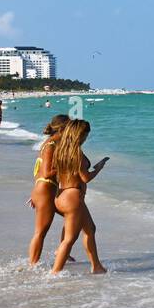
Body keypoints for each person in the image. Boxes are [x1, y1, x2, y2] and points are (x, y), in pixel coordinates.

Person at [51, 119, 108, 274]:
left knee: (90, 229)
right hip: (73, 198)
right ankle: (55, 273)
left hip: (61, 195)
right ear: (80, 135)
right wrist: (99, 167)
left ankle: (96, 266)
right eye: (86, 135)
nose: (86, 138)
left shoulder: (61, 150)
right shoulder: (76, 152)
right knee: (69, 239)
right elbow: (85, 178)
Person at [28, 114, 70, 265]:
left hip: (43, 189)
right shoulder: (51, 146)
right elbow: (46, 172)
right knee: (40, 232)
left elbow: (38, 171)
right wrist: (67, 166)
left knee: (71, 217)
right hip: (45, 188)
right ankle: (33, 265)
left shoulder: (50, 143)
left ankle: (63, 250)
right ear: (63, 129)